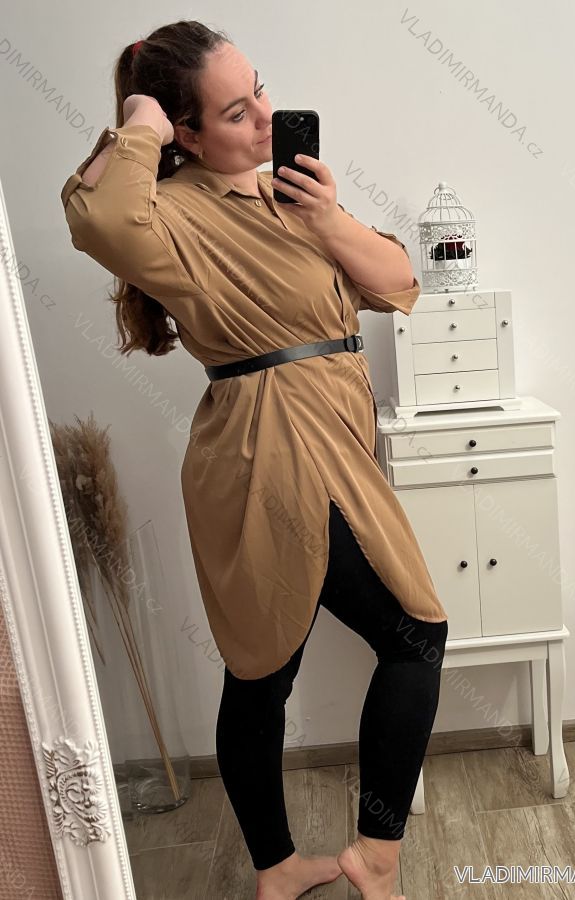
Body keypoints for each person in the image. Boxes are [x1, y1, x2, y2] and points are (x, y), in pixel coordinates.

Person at [60, 20, 449, 900]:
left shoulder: (290, 192)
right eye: (236, 112)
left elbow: (398, 283)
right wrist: (139, 122)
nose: (266, 117)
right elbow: (98, 217)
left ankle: (274, 870)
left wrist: (324, 217)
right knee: (407, 634)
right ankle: (374, 857)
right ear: (186, 133)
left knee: (266, 670)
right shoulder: (172, 212)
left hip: (329, 441)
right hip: (271, 451)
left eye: (260, 90)